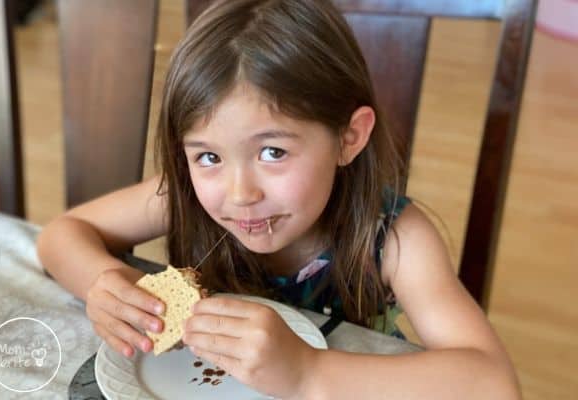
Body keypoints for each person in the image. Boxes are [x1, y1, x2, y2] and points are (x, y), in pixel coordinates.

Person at [37, 0, 521, 398]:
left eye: (272, 151)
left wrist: (308, 372)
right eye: (207, 156)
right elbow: (61, 235)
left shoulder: (394, 238)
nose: (239, 193)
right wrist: (106, 283)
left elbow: (493, 383)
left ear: (349, 137)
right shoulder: (185, 198)